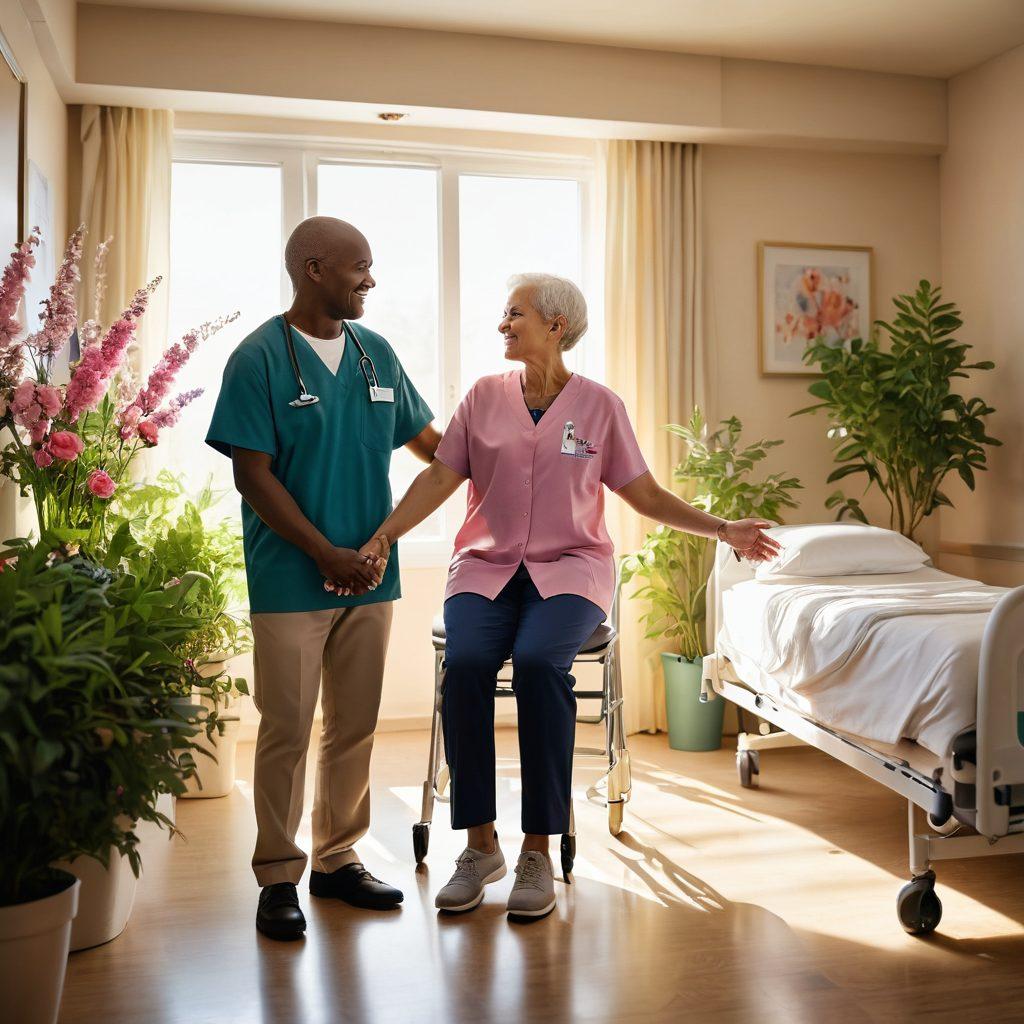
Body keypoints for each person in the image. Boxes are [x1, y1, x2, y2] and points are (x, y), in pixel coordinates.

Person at [361, 272, 780, 920]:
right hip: (485, 568)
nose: (503, 325)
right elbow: (441, 478)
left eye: (515, 314)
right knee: (466, 666)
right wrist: (384, 536)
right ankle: (480, 846)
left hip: (572, 571)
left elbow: (644, 494)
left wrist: (723, 528)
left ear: (556, 326)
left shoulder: (600, 406)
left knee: (537, 664)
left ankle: (536, 849)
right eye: (504, 314)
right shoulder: (483, 397)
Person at [206, 216, 439, 941]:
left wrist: (513, 437)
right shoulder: (258, 358)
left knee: (355, 725)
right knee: (286, 729)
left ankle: (338, 858)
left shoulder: (377, 354)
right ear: (313, 269)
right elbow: (252, 476)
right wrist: (321, 552)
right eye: (358, 266)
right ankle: (279, 874)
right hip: (291, 577)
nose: (371, 279)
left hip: (371, 572)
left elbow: (435, 448)